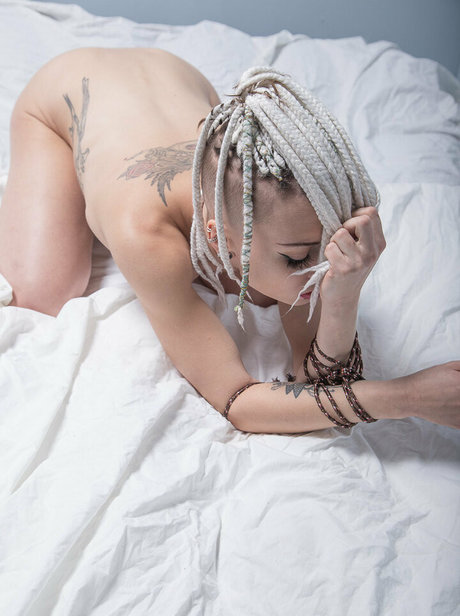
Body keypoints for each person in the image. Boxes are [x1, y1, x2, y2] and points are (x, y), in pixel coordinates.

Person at [0, 47, 459, 434]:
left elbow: (318, 376)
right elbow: (237, 400)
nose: (321, 270)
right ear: (217, 236)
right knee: (42, 294)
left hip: (173, 72)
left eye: (326, 247)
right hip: (64, 90)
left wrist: (344, 291)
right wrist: (407, 396)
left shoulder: (287, 218)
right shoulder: (146, 234)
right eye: (299, 257)